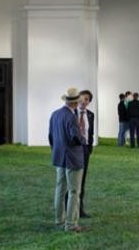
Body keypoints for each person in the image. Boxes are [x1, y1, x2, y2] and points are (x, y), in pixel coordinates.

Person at [48, 87, 88, 232]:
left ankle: (59, 221)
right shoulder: (71, 117)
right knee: (73, 192)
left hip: (59, 157)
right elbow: (76, 137)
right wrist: (83, 139)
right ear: (76, 102)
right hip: (73, 158)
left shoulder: (55, 114)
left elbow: (51, 137)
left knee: (60, 189)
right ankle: (71, 224)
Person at [77, 89, 95, 218]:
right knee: (72, 180)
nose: (84, 101)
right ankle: (69, 208)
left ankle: (80, 209)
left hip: (85, 150)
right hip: (73, 150)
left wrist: (89, 148)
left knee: (82, 180)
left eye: (87, 99)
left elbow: (90, 132)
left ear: (89, 102)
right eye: (82, 98)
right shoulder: (71, 113)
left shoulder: (90, 115)